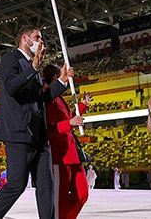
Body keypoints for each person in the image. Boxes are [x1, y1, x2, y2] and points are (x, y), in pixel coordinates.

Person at [0, 26, 73, 219]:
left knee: (46, 186)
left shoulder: (34, 67)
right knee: (17, 184)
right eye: (37, 37)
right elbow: (11, 87)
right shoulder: (11, 59)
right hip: (19, 133)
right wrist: (33, 67)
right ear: (25, 39)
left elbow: (41, 98)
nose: (41, 42)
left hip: (39, 135)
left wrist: (62, 82)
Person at [44, 64, 91, 219]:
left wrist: (83, 105)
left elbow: (70, 116)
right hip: (60, 156)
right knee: (60, 199)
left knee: (82, 194)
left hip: (73, 154)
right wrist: (69, 124)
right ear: (55, 78)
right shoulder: (46, 100)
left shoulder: (59, 98)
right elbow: (48, 130)